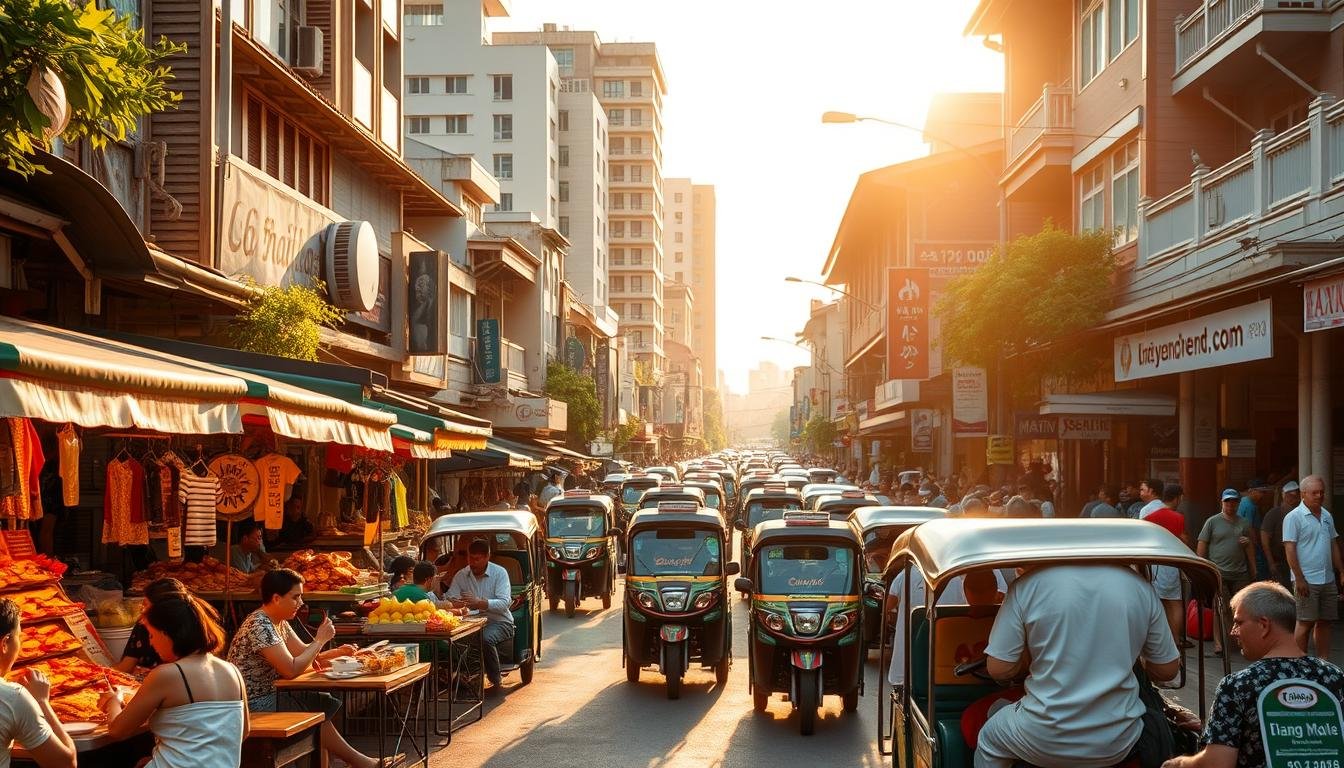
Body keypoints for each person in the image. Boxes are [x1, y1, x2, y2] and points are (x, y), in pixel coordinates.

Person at [976, 564, 1181, 768]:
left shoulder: (1027, 586)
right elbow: (1167, 670)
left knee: (988, 740)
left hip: (1043, 736)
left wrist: (1026, 659)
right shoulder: (1140, 587)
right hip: (1118, 740)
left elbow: (999, 668)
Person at [1160, 582, 1344, 768]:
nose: (1233, 632)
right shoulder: (1333, 677)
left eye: (1239, 622)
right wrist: (1212, 728)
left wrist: (1179, 763)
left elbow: (1217, 763)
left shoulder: (1239, 685)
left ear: (1264, 625)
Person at [226, 569, 388, 768]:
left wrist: (335, 653)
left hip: (272, 694)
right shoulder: (259, 625)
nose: (301, 603)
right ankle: (360, 762)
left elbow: (303, 654)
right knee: (315, 710)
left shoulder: (279, 622)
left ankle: (352, 762)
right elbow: (291, 669)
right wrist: (320, 640)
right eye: (295, 597)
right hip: (255, 703)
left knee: (323, 703)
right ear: (276, 598)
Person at [101, 596, 246, 767]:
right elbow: (243, 732)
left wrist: (113, 701)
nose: (151, 642)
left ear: (166, 633)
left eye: (151, 634)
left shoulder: (167, 674)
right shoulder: (232, 671)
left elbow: (118, 731)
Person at [0, 597, 76, 768]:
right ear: (5, 643)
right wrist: (41, 702)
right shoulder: (13, 697)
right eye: (19, 636)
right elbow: (67, 763)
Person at [1282, 474, 1344, 657]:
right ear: (1303, 494)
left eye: (1322, 492)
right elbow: (1290, 549)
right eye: (1314, 492)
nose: (1319, 496)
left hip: (1327, 578)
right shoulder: (1294, 517)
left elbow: (1333, 544)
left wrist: (1341, 571)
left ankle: (1322, 662)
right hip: (1306, 579)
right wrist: (1299, 578)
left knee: (1325, 621)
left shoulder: (1327, 516)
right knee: (1305, 622)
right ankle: (1298, 663)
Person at [443, 539, 514, 692]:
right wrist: (457, 603)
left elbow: (504, 603)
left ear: (487, 557)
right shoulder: (462, 575)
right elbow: (450, 598)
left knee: (485, 639)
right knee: (453, 641)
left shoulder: (499, 573)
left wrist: (479, 602)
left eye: (477, 559)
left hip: (499, 621)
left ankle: (495, 679)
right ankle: (462, 678)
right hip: (470, 622)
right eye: (470, 558)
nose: (472, 563)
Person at [116, 578, 224, 675]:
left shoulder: (171, 673)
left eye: (146, 605)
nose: (151, 642)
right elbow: (127, 665)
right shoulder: (226, 669)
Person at [1198, 489, 1257, 655]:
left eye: (1234, 502)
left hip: (1240, 571)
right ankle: (1219, 643)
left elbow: (1252, 545)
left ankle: (1238, 640)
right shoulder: (1212, 522)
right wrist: (1201, 568)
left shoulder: (1244, 523)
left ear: (1238, 503)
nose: (1230, 505)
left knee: (1241, 608)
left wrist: (1253, 569)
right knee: (1220, 607)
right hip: (1219, 571)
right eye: (1227, 502)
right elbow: (1202, 545)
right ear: (1222, 503)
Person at [1144, 484, 1190, 648]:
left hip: (1154, 564)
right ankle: (1175, 639)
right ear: (1178, 498)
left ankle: (1158, 639)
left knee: (1156, 602)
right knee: (1175, 603)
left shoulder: (1149, 517)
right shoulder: (1178, 517)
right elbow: (1183, 539)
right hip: (1171, 563)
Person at [1258, 480, 1299, 590]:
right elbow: (1265, 540)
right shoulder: (1274, 514)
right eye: (1290, 496)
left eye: (1295, 496)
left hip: (1298, 558)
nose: (1293, 499)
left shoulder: (1300, 513)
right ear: (1284, 496)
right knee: (1282, 591)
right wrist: (1271, 563)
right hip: (1280, 560)